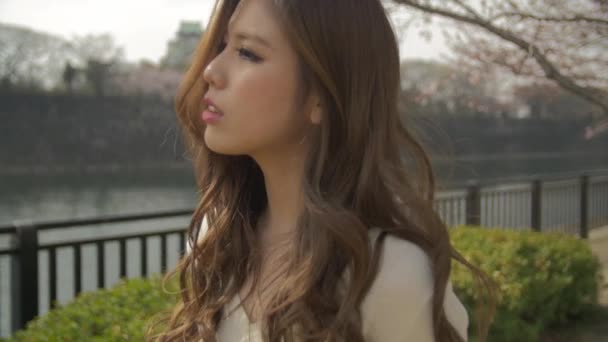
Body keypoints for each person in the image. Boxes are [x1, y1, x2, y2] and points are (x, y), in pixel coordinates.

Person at [150, 0, 496, 341]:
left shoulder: (388, 272)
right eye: (222, 46)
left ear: (322, 95)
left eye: (248, 53)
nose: (211, 70)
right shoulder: (216, 239)